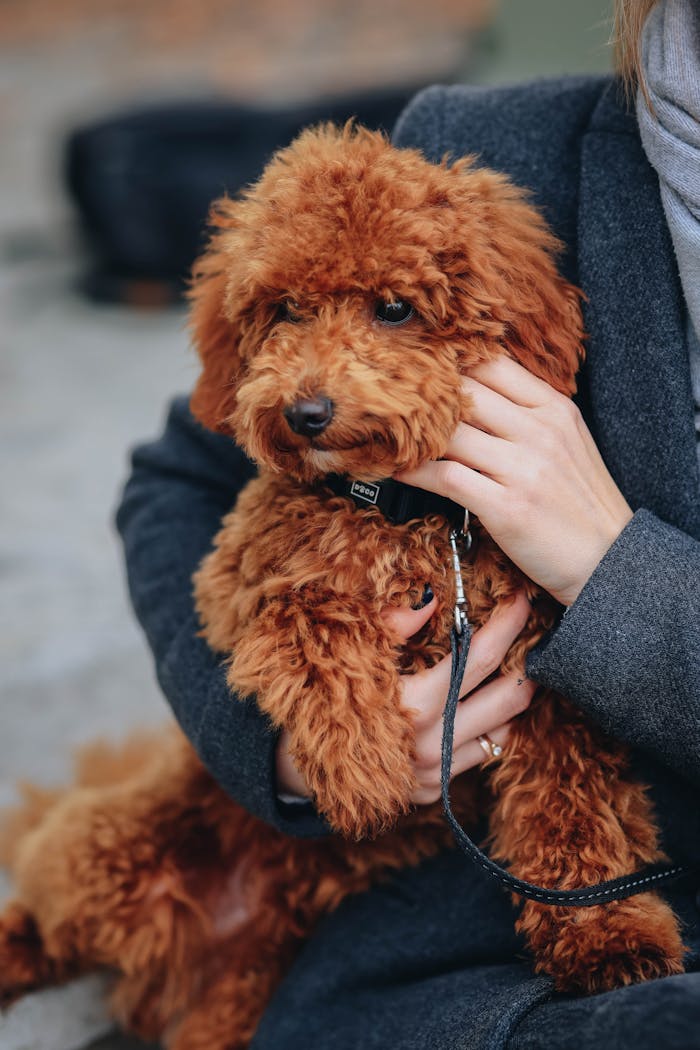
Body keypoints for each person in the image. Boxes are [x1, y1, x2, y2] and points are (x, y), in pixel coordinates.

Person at [116, 0, 700, 1045]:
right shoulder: (475, 154)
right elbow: (183, 476)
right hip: (456, 943)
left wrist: (622, 579)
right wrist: (285, 745)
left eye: (388, 312)